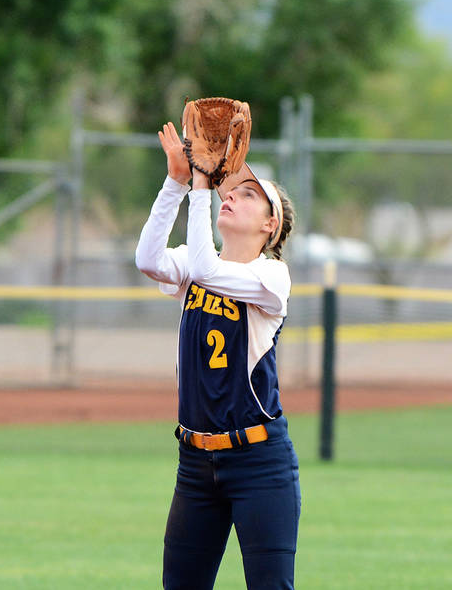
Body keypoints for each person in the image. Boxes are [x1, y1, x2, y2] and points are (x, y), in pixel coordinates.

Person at [135, 121, 299, 590]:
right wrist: (175, 182)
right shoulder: (191, 260)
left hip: (259, 463)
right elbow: (148, 258)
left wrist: (201, 186)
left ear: (271, 225)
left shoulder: (271, 278)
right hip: (194, 463)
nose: (232, 196)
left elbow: (209, 268)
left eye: (249, 195)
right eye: (230, 189)